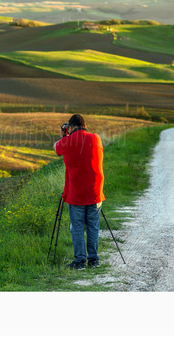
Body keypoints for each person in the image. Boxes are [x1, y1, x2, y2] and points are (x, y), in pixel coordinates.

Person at [53, 114, 105, 270]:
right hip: (95, 191)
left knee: (76, 227)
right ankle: (94, 259)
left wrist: (63, 136)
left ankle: (80, 261)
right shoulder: (96, 138)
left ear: (70, 127)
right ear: (85, 124)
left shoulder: (67, 142)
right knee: (93, 226)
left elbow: (56, 148)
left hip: (76, 192)